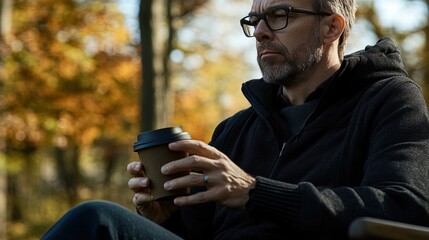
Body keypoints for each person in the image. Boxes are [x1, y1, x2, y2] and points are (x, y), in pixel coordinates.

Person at [41, 0, 429, 239]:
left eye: (279, 15)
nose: (259, 32)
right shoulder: (235, 129)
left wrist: (256, 192)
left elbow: (405, 208)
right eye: (254, 20)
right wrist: (166, 219)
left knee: (97, 222)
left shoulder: (388, 99)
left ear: (332, 27)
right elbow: (198, 233)